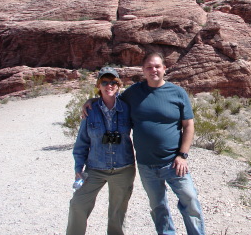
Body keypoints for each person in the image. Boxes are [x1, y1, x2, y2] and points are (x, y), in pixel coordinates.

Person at [83, 53, 205, 235]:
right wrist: (93, 100)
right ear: (143, 70)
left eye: (157, 66)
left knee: (190, 200)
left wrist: (182, 155)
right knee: (158, 206)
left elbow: (188, 126)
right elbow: (111, 100)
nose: (153, 70)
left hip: (174, 162)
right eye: (149, 67)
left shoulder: (177, 93)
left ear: (164, 69)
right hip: (146, 164)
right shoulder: (133, 93)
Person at [67, 67, 135, 235]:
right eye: (105, 82)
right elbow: (82, 143)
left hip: (123, 168)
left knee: (117, 214)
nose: (109, 85)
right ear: (98, 86)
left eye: (113, 82)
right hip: (95, 168)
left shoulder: (127, 108)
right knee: (78, 204)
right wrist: (78, 169)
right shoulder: (90, 110)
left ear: (118, 85)